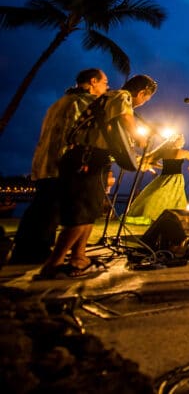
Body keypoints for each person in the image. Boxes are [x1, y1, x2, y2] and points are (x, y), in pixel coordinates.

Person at [37, 74, 156, 279]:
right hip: (85, 159)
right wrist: (140, 137)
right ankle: (53, 265)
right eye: (146, 99)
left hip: (92, 159)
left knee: (89, 211)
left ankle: (79, 258)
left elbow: (114, 138)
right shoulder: (121, 96)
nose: (143, 103)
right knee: (80, 214)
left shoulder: (108, 101)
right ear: (142, 92)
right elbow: (127, 120)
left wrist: (137, 159)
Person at [12, 68, 108, 264]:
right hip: (65, 163)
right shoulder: (84, 103)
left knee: (42, 207)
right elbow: (84, 136)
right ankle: (39, 256)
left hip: (44, 162)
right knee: (58, 210)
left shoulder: (59, 103)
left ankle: (27, 252)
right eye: (105, 83)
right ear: (93, 82)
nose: (107, 87)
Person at [124, 134, 189, 225]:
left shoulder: (163, 152)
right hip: (175, 178)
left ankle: (161, 217)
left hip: (163, 177)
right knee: (172, 199)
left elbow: (152, 161)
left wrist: (162, 166)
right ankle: (169, 219)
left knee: (156, 197)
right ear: (177, 141)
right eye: (181, 140)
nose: (183, 142)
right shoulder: (183, 152)